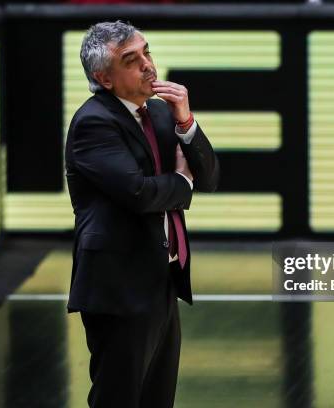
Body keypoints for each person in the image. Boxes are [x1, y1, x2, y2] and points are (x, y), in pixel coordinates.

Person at [64, 21, 219, 408]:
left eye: (146, 52)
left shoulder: (160, 115)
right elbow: (138, 193)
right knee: (119, 398)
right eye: (131, 60)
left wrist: (185, 121)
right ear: (105, 78)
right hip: (118, 285)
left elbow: (210, 178)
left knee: (157, 398)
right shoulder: (94, 123)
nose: (148, 65)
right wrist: (182, 181)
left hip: (160, 278)